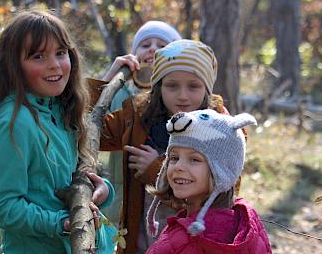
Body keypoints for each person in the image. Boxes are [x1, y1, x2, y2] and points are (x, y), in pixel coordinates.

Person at [0, 10, 117, 253]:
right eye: (38, 56)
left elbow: (71, 179)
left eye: (60, 53)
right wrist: (61, 223)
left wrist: (102, 191)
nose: (55, 65)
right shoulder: (15, 123)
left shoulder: (63, 108)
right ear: (14, 65)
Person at [89, 39, 228, 254]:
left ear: (207, 89)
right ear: (159, 86)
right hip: (141, 243)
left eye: (194, 86)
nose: (183, 95)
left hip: (195, 244)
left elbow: (223, 191)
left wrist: (156, 170)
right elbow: (90, 131)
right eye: (172, 85)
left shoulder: (222, 127)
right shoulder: (138, 117)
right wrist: (106, 81)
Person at [145, 109, 272, 254]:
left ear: (223, 170)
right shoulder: (249, 226)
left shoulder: (181, 241)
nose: (178, 166)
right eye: (174, 158)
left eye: (194, 159)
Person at [99, 21, 182, 223]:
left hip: (164, 207)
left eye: (162, 46)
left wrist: (156, 166)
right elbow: (91, 124)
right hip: (119, 201)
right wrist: (110, 78)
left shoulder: (181, 102)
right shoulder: (121, 94)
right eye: (145, 45)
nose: (153, 49)